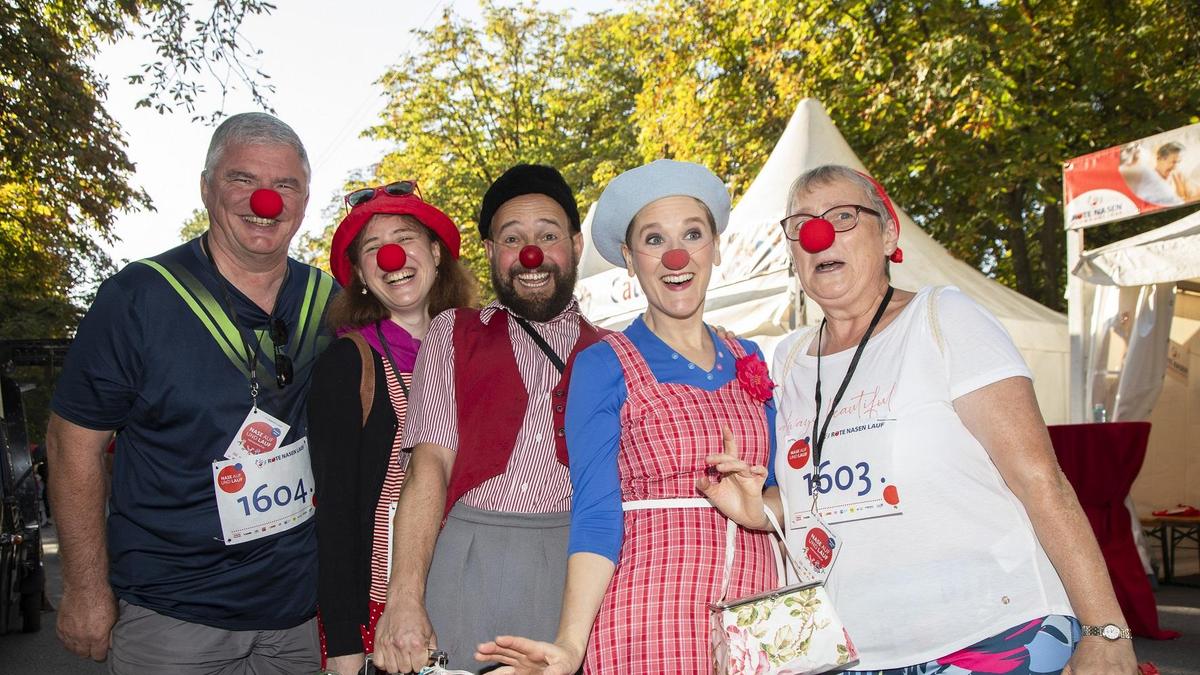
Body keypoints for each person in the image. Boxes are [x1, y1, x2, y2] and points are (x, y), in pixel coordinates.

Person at [724, 164, 1136, 674]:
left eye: (843, 216)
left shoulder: (943, 319)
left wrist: (1105, 630)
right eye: (801, 222)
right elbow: (822, 493)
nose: (818, 233)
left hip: (990, 635)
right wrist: (761, 508)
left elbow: (1040, 479)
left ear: (889, 231)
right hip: (852, 651)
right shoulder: (789, 360)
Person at [46, 112, 336, 673]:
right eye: (242, 179)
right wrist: (85, 590)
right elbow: (70, 445)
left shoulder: (330, 301)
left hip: (301, 615)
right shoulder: (139, 298)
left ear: (304, 201)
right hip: (173, 616)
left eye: (285, 186)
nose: (265, 201)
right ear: (206, 187)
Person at [477, 159, 781, 674]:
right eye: (654, 240)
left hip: (758, 616)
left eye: (692, 233)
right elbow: (596, 512)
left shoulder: (751, 355)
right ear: (630, 257)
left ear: (716, 247)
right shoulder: (602, 363)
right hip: (651, 618)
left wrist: (764, 507)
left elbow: (784, 489)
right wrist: (571, 645)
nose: (676, 256)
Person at [370, 164, 608, 673]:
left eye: (547, 235)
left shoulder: (615, 352)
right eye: (512, 238)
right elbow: (428, 466)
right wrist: (404, 597)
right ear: (490, 252)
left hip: (579, 566)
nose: (531, 254)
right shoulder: (451, 332)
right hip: (469, 558)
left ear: (576, 243)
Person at [309, 182, 477, 675]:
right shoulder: (347, 363)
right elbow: (334, 517)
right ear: (361, 275)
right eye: (371, 250)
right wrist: (343, 649)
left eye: (405, 237)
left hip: (471, 592)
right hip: (381, 617)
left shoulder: (482, 349)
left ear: (435, 252)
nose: (391, 256)